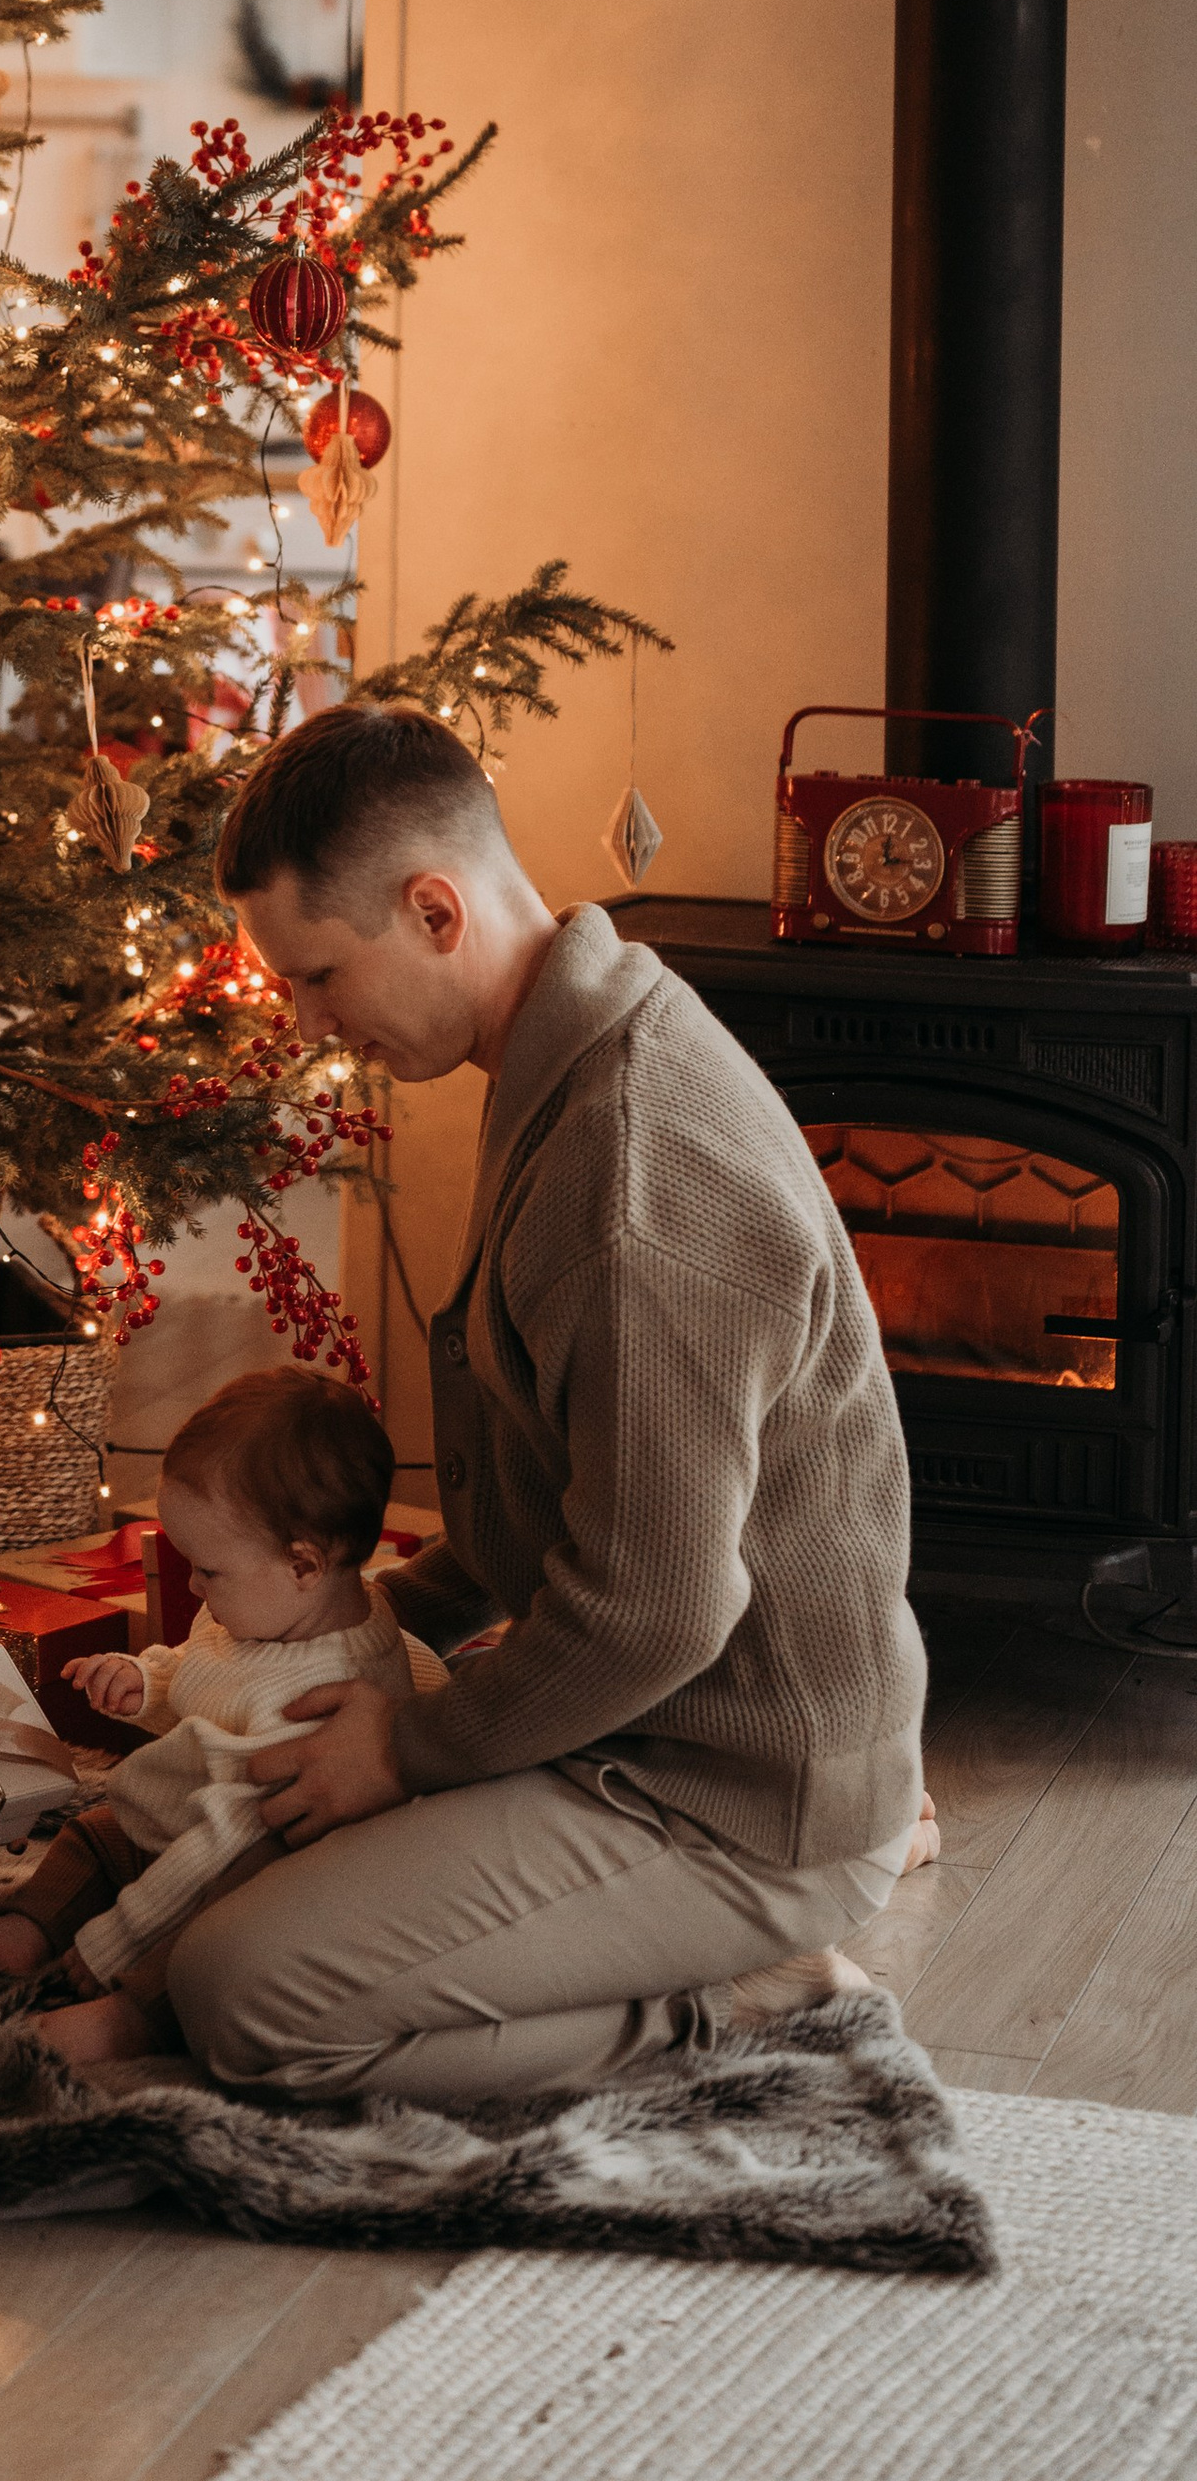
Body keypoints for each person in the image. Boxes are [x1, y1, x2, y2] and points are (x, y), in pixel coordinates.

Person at [152, 704, 932, 2112]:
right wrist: (387, 1623)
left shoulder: (631, 1172)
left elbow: (651, 1612)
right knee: (242, 1841)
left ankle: (734, 1998)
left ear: (434, 908)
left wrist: (405, 1744)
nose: (313, 1028)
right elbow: (572, 1489)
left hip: (733, 1800)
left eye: (321, 977)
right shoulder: (573, 1044)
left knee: (239, 1998)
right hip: (642, 1729)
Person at [0, 1362, 445, 2058]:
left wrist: (117, 1939)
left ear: (305, 1565)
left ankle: (126, 2018)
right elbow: (205, 1667)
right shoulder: (263, 1613)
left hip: (247, 1860)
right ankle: (23, 1932)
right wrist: (144, 1680)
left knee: (209, 1932)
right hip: (188, 1821)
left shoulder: (323, 1692)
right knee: (99, 1832)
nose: (190, 1584)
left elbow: (228, 1842)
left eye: (209, 1570)